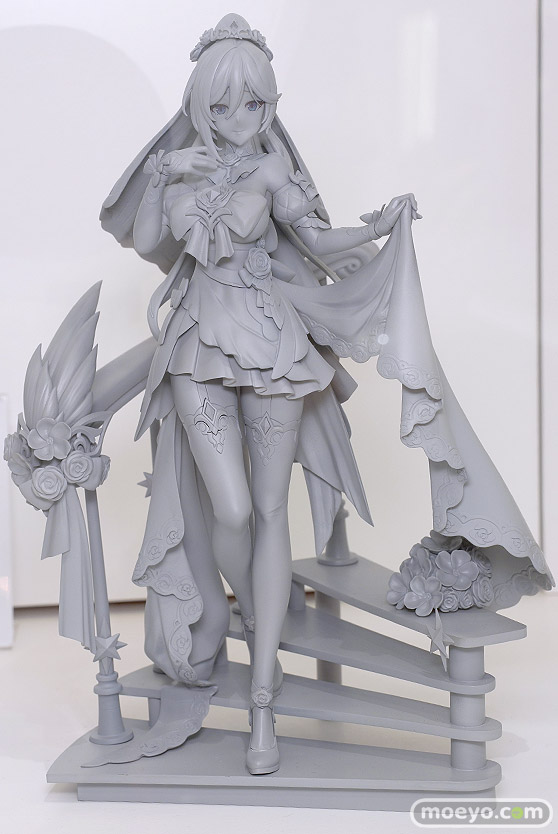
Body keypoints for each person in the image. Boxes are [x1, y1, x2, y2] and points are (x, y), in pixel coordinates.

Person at [100, 13, 553, 775]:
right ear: (201, 103)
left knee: (270, 510)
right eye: (224, 104)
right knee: (232, 511)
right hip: (197, 347)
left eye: (255, 102)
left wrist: (378, 227)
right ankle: (261, 614)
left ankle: (264, 697)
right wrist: (165, 172)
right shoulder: (181, 167)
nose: (241, 118)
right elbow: (149, 240)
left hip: (272, 346)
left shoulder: (273, 168)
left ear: (270, 102)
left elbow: (316, 239)